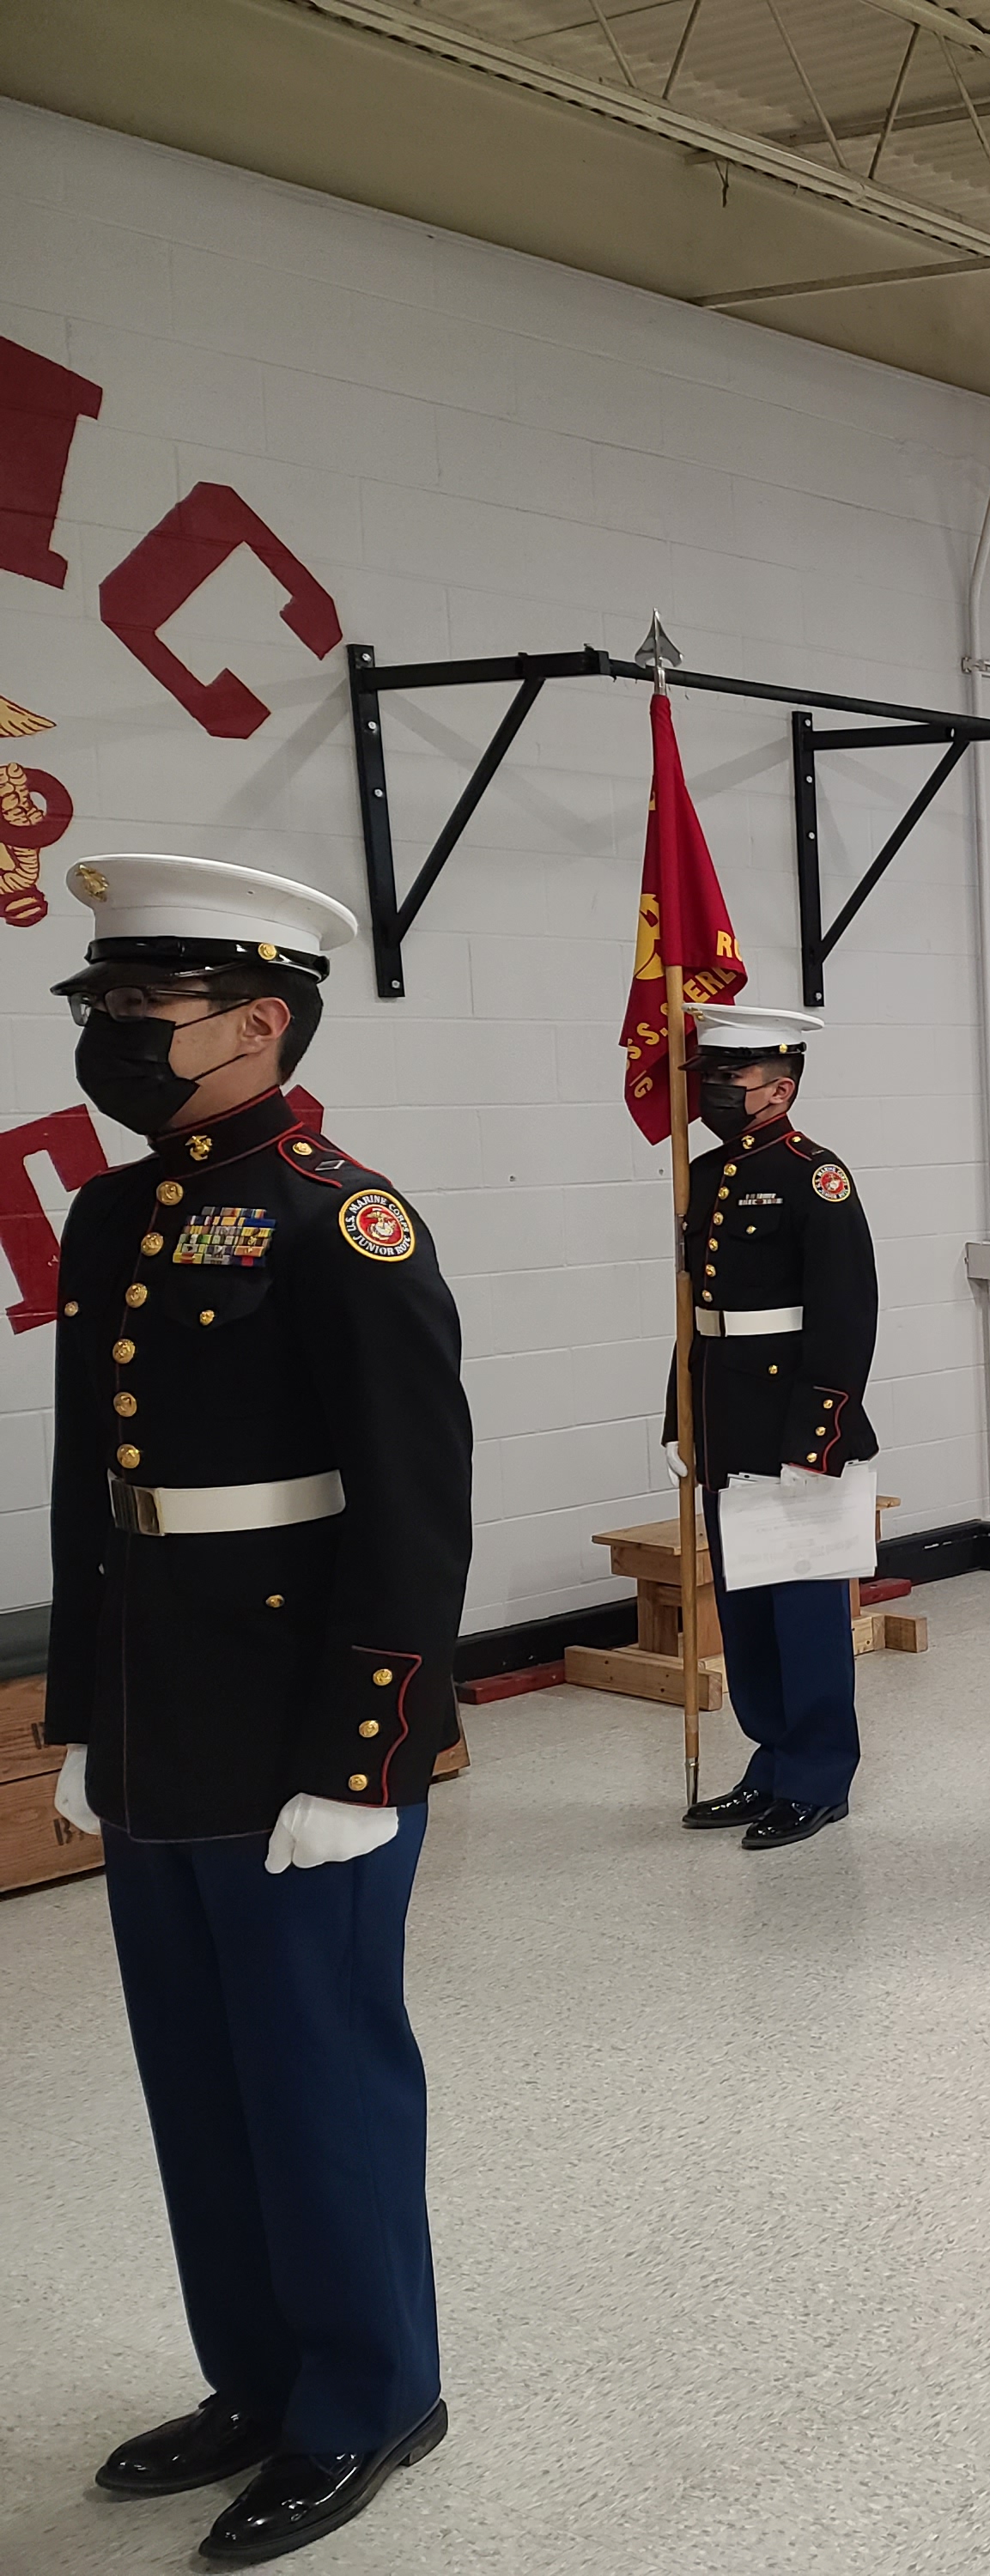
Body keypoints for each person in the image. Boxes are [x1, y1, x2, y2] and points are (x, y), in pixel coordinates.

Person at [44, 854, 471, 2565]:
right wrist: (85, 1714)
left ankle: (371, 2393)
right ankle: (255, 2378)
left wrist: (371, 1751)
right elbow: (97, 1485)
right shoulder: (113, 1212)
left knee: (316, 2071)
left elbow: (415, 1501)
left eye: (147, 1016)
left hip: (306, 1717)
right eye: (107, 1012)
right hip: (163, 1705)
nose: (117, 1042)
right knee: (198, 2073)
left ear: (259, 1023)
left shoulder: (339, 1218)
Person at [669, 1003, 880, 1851]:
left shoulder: (816, 1176)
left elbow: (846, 1312)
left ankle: (820, 1777)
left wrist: (818, 1434)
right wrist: (679, 1416)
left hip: (797, 1421)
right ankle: (771, 1764)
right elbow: (695, 1314)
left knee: (802, 1611)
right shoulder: (710, 1176)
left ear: (780, 1088)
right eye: (708, 1079)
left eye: (732, 1079)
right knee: (746, 1610)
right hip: (727, 1415)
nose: (715, 1093)